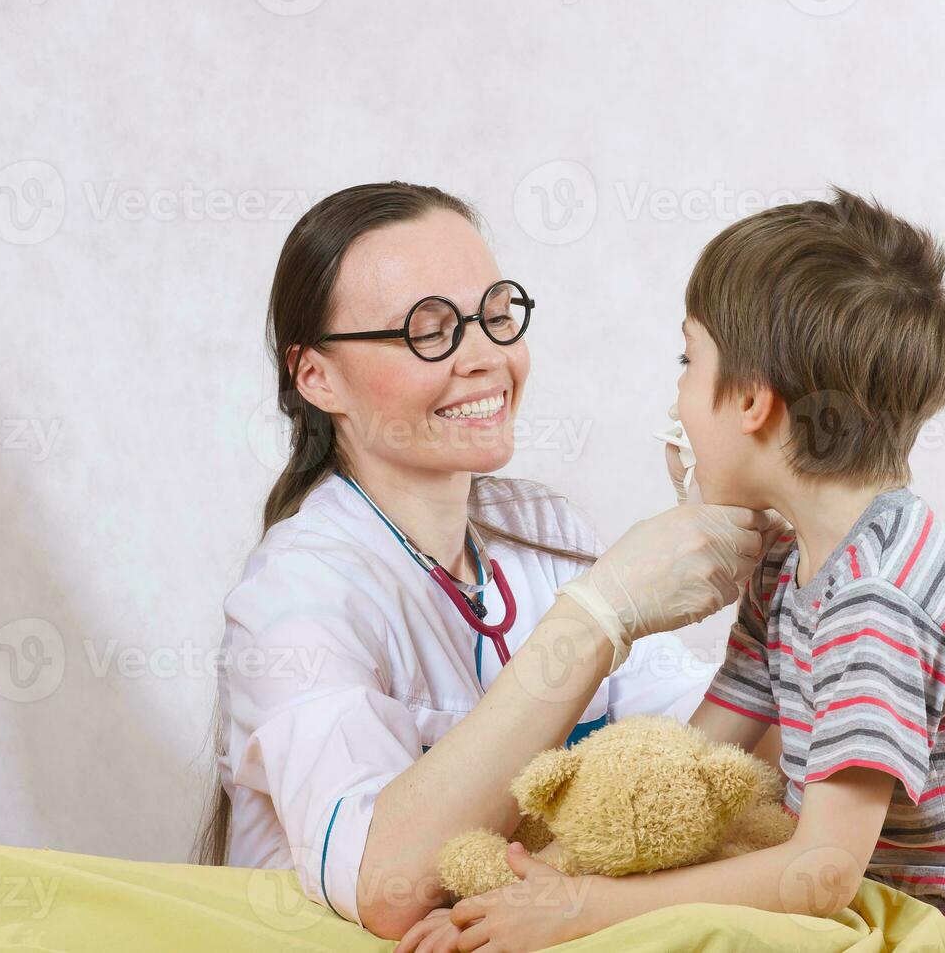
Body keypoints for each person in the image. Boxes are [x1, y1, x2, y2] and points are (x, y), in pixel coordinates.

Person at [448, 189, 945, 953]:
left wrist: (583, 907)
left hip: (929, 924)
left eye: (687, 360)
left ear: (751, 403)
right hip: (835, 879)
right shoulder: (792, 560)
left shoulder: (877, 602)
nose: (675, 396)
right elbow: (703, 762)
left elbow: (823, 875)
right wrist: (556, 874)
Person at [193, 181, 778, 942]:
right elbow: (389, 885)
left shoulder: (535, 527)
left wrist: (786, 576)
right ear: (316, 377)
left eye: (496, 316)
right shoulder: (296, 591)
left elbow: (695, 764)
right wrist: (592, 619)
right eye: (426, 331)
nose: (485, 357)